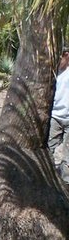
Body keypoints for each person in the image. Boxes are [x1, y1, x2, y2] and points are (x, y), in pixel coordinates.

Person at [50, 48, 69, 181]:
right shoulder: (52, 72)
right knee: (48, 149)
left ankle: (66, 183)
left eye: (59, 58)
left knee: (67, 158)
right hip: (55, 117)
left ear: (66, 56)